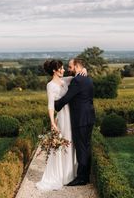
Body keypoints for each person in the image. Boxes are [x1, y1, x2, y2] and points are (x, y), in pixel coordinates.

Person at [36, 59, 78, 191]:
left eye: (64, 67)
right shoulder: (50, 85)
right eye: (61, 68)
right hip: (62, 117)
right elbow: (50, 105)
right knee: (64, 143)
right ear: (54, 70)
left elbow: (76, 76)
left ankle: (70, 174)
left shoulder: (64, 80)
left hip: (71, 115)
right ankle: (61, 175)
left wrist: (83, 70)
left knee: (71, 142)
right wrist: (52, 122)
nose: (64, 70)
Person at [54, 58, 95, 186]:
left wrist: (55, 105)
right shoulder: (87, 78)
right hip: (90, 117)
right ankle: (86, 175)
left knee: (81, 148)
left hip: (80, 119)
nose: (69, 69)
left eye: (70, 67)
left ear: (77, 67)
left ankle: (82, 178)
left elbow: (67, 97)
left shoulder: (77, 80)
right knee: (86, 146)